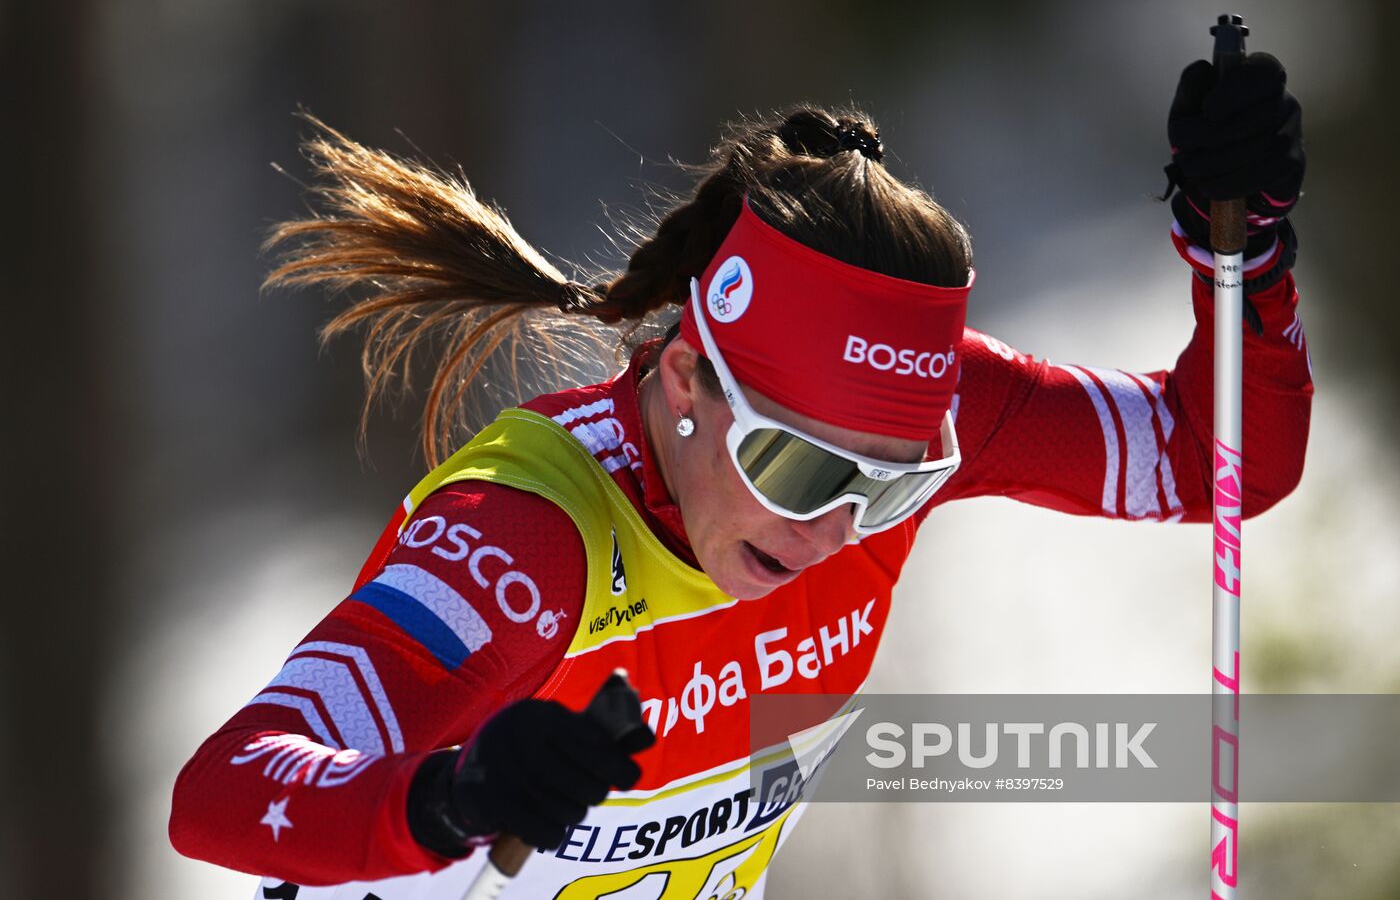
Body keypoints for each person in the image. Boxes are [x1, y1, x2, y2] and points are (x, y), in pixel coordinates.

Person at [170, 53, 1311, 899]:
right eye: (793, 466)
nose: (834, 528)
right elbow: (217, 791)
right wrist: (447, 795)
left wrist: (1245, 259)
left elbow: (1217, 459)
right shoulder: (526, 540)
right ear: (683, 380)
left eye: (895, 485)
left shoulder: (902, 420)